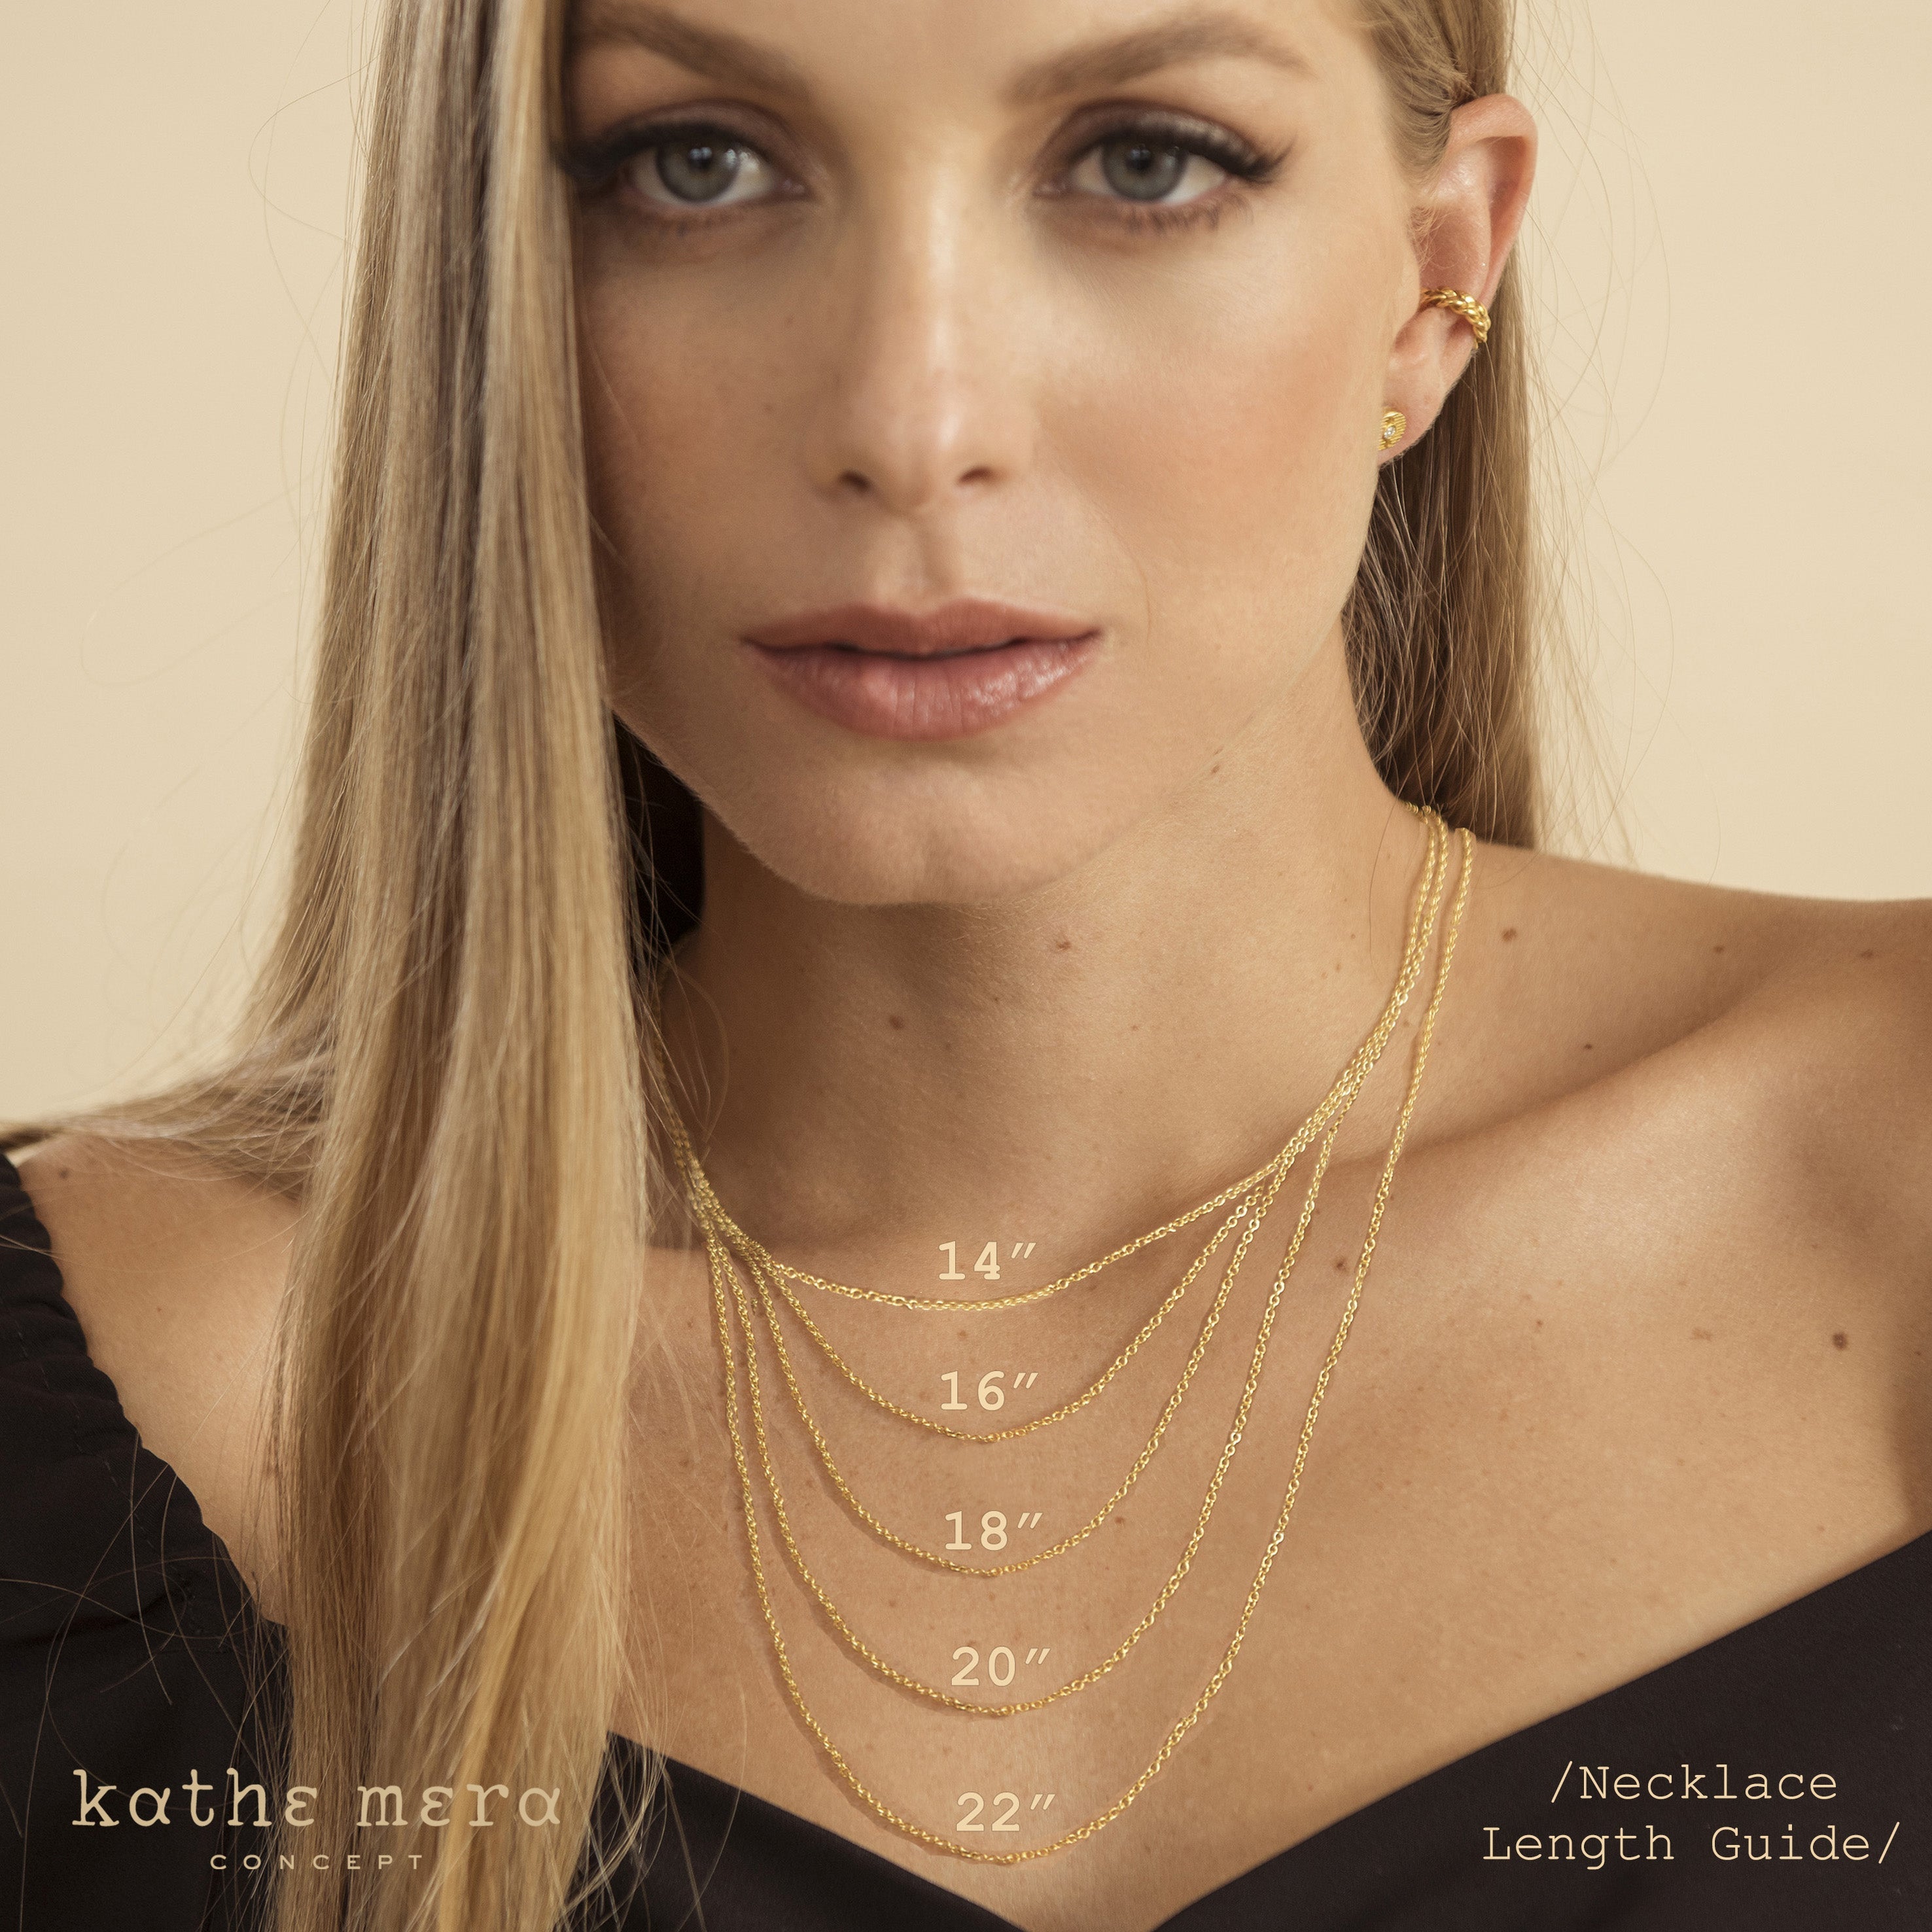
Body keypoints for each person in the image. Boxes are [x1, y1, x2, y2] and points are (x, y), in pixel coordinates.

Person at [2, 1, 1925, 1928]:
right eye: (697, 166)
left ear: (1438, 278)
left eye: (1145, 161)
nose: (913, 430)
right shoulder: (96, 1412)